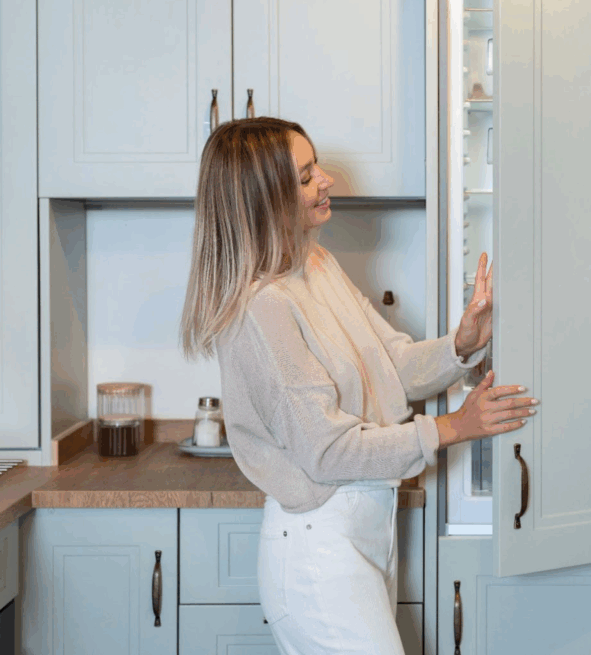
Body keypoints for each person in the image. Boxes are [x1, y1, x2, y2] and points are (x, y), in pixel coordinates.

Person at [179, 117, 537, 654]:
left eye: (316, 167)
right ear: (264, 199)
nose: (325, 180)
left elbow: (389, 364)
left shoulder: (316, 264)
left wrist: (460, 346)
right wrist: (452, 428)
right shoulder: (261, 308)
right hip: (317, 549)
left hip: (365, 529)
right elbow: (328, 452)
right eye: (305, 177)